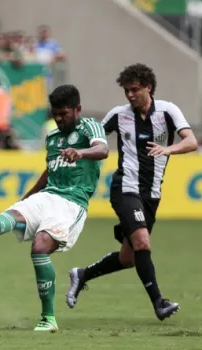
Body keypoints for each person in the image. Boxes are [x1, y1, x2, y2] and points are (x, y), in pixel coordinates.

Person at [0, 84, 109, 332]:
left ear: (77, 109)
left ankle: (48, 318)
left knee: (39, 246)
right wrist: (26, 198)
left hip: (72, 203)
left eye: (64, 113)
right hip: (48, 194)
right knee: (11, 215)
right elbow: (49, 171)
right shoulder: (52, 137)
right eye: (55, 114)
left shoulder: (90, 126)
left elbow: (102, 149)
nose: (59, 119)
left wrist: (81, 153)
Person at [65, 63, 198, 320]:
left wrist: (168, 150)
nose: (130, 95)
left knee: (129, 258)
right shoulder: (119, 114)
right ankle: (159, 303)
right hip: (125, 188)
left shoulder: (168, 111)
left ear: (149, 87)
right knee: (142, 242)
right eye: (126, 90)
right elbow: (93, 137)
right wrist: (76, 148)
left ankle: (82, 274)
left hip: (151, 195)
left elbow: (191, 141)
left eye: (134, 90)